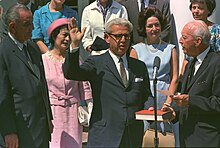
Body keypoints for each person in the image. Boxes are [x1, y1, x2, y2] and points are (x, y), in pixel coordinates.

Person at [63, 17, 151, 147]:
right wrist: (75, 46)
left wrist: (150, 108)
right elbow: (71, 73)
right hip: (105, 134)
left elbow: (146, 95)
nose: (123, 40)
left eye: (126, 36)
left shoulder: (139, 66)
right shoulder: (96, 63)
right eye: (118, 36)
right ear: (107, 37)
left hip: (132, 135)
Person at [0, 4, 53, 148]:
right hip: (20, 131)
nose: (32, 28)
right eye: (26, 24)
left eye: (32, 23)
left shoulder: (33, 49)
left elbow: (41, 84)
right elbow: (2, 97)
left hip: (40, 127)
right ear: (12, 27)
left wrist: (49, 119)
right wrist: (8, 131)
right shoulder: (3, 53)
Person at [130, 6, 179, 147]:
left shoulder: (170, 48)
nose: (154, 29)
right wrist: (145, 104)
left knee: (167, 140)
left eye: (157, 25)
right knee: (146, 139)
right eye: (149, 26)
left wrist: (168, 102)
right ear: (144, 28)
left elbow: (174, 77)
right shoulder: (136, 49)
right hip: (144, 98)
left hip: (165, 97)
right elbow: (133, 80)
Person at [42, 18, 93, 148]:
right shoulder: (43, 61)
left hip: (73, 112)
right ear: (54, 36)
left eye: (69, 36)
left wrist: (89, 105)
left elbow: (84, 85)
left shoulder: (75, 60)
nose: (67, 39)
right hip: (53, 113)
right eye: (64, 35)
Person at [172, 20, 220, 147]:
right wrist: (173, 111)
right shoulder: (191, 63)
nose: (180, 41)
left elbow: (218, 102)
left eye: (185, 37)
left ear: (198, 41)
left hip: (207, 139)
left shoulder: (216, 63)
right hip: (187, 137)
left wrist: (191, 101)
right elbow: (185, 95)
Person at [180, 0, 220, 80]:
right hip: (191, 72)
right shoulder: (189, 28)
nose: (196, 11)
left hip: (209, 74)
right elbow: (186, 58)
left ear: (208, 10)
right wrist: (182, 78)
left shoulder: (216, 30)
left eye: (200, 8)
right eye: (194, 7)